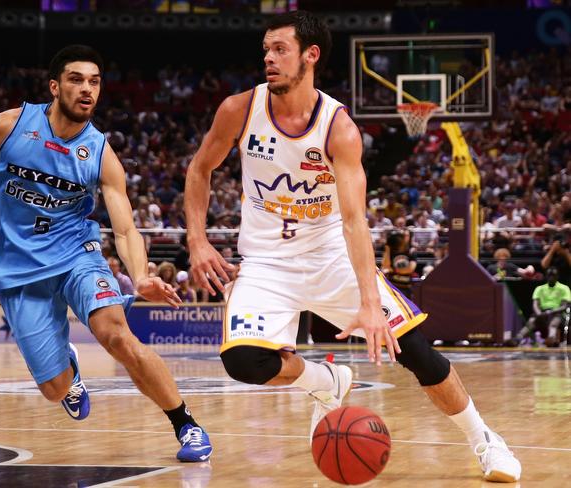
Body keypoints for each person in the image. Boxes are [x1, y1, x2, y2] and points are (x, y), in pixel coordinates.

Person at [183, 11, 519, 482]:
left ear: (310, 55)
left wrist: (368, 304)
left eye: (280, 49)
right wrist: (197, 241)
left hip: (330, 258)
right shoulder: (239, 109)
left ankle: (485, 440)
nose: (269, 59)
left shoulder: (338, 128)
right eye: (266, 50)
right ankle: (327, 381)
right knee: (242, 360)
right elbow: (199, 169)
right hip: (266, 262)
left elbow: (356, 220)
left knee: (414, 351)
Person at [0, 45, 211, 462]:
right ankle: (69, 373)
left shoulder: (100, 153)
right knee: (54, 389)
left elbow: (124, 226)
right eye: (76, 79)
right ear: (55, 87)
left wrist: (141, 274)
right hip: (19, 269)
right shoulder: (10, 125)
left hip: (78, 254)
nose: (87, 89)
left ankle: (187, 426)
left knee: (116, 335)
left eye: (94, 81)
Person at [511, 267, 571, 347]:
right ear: (546, 276)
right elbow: (535, 304)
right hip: (541, 312)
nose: (551, 278)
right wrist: (539, 313)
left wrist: (550, 312)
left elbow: (564, 306)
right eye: (549, 275)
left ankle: (551, 339)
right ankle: (517, 339)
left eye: (553, 276)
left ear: (557, 276)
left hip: (557, 313)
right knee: (531, 321)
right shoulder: (539, 288)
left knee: (554, 323)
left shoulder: (564, 288)